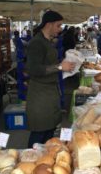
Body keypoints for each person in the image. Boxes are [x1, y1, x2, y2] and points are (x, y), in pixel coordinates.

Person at [26, 10, 76, 148]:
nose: (60, 30)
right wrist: (60, 67)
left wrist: (65, 64)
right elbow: (33, 69)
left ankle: (44, 160)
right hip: (40, 96)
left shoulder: (47, 41)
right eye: (58, 26)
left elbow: (48, 64)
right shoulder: (36, 43)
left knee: (49, 133)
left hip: (50, 93)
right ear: (49, 24)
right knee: (39, 134)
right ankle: (32, 159)